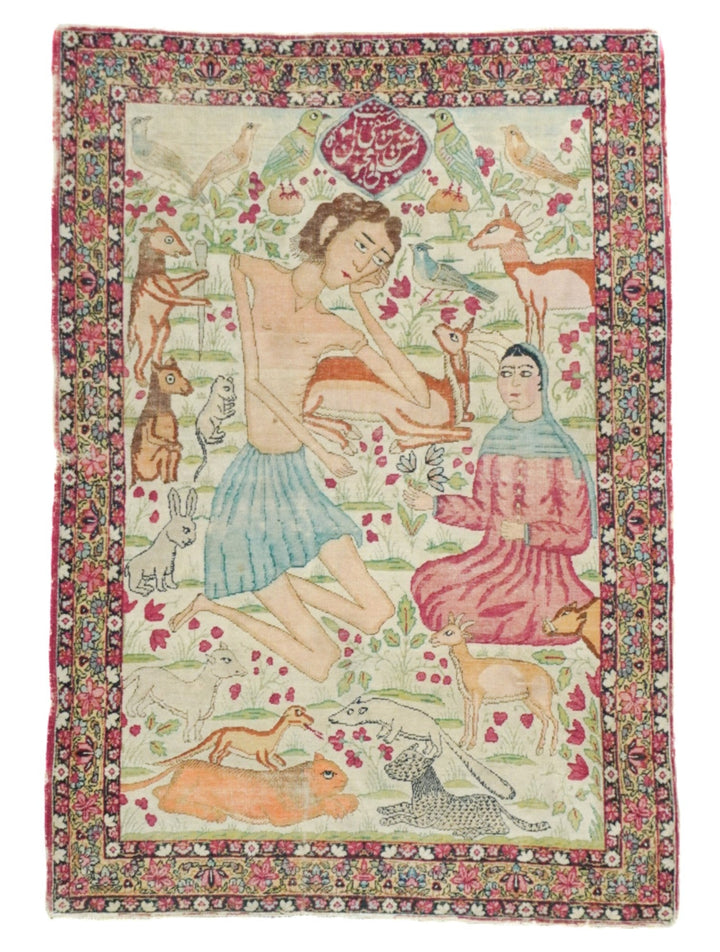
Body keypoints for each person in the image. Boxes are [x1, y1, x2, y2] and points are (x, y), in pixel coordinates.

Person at [171, 193, 432, 681]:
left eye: (378, 259)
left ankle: (257, 584)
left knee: (377, 612)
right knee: (322, 660)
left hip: (295, 479)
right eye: (361, 244)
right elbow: (255, 383)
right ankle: (223, 601)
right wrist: (320, 448)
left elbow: (416, 394)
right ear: (329, 228)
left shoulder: (333, 325)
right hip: (251, 490)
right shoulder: (256, 273)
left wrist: (360, 305)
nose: (364, 264)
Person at [405, 343, 597, 645]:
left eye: (525, 373)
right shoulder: (495, 440)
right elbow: (483, 512)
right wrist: (436, 504)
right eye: (506, 374)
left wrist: (528, 532)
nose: (513, 383)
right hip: (492, 561)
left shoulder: (562, 451)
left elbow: (577, 536)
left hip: (544, 575)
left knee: (533, 618)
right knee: (431, 586)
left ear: (541, 382)